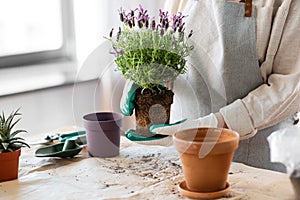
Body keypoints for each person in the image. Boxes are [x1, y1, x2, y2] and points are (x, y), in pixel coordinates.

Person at [120, 0, 300, 172]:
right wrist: (150, 75)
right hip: (179, 153)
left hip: (252, 162)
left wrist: (219, 124)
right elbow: (169, 44)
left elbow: (289, 87)